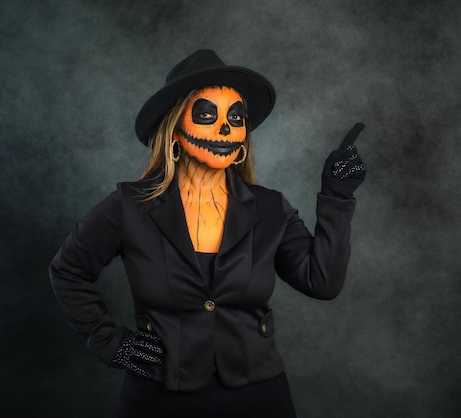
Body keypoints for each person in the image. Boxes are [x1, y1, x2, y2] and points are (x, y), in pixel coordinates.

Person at [49, 49, 365, 418]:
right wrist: (110, 342)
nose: (226, 128)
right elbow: (67, 271)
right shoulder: (128, 206)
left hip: (259, 400)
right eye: (206, 115)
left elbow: (321, 282)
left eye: (236, 117)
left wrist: (336, 197)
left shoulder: (270, 208)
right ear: (175, 131)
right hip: (157, 398)